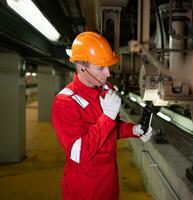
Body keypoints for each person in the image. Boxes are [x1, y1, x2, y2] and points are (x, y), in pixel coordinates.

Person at [51, 31, 152, 200]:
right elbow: (78, 153)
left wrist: (133, 130)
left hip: (110, 180)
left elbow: (110, 131)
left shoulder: (105, 90)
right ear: (81, 66)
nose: (108, 73)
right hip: (85, 186)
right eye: (100, 68)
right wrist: (108, 116)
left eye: (107, 66)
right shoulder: (65, 102)